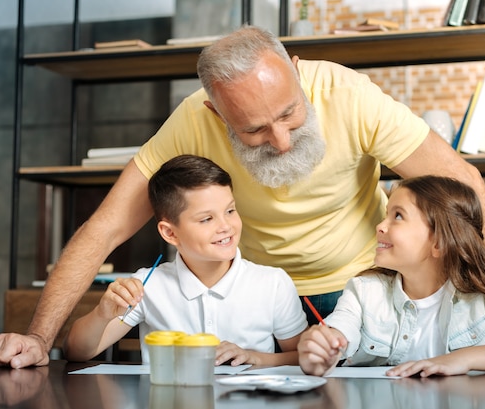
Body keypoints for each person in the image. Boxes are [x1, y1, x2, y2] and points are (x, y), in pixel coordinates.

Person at [0, 25, 485, 368]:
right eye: (253, 130)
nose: (279, 141)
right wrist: (36, 337)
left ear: (296, 73)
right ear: (215, 113)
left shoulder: (351, 97)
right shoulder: (190, 120)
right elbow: (105, 228)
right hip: (258, 299)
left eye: (288, 114)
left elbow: (465, 185)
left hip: (360, 292)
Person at [298, 175, 485, 377]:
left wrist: (460, 359)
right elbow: (337, 337)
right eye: (386, 215)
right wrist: (319, 354)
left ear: (439, 242)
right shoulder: (363, 290)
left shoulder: (481, 295)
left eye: (398, 216)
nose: (381, 226)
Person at [62, 155, 307, 366]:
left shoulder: (272, 283)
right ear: (170, 233)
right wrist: (102, 315)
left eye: (230, 211)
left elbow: (303, 357)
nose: (226, 226)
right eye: (206, 219)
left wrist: (255, 358)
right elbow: (76, 352)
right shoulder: (147, 285)